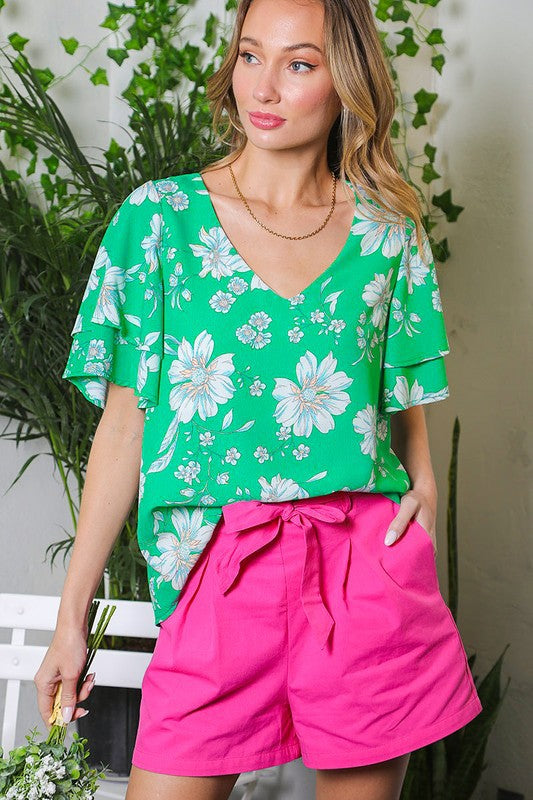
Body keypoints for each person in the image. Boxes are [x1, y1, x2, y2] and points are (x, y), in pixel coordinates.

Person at [34, 0, 483, 797]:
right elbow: (126, 424)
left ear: (346, 82)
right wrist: (73, 619)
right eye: (249, 55)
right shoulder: (159, 221)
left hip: (361, 567)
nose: (263, 87)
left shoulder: (388, 232)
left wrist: (424, 484)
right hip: (217, 567)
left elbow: (397, 384)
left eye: (298, 63)